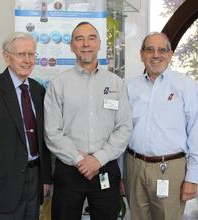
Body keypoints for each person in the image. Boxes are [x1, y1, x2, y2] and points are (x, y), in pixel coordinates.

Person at [44, 21, 133, 220]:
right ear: (71, 46)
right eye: (79, 39)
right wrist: (79, 160)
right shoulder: (58, 84)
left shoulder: (115, 83)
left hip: (105, 168)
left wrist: (98, 159)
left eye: (91, 38)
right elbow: (52, 131)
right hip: (69, 169)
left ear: (99, 44)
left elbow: (124, 127)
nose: (86, 43)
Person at [124, 32, 198, 220]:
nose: (155, 55)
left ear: (170, 54)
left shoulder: (186, 86)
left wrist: (193, 178)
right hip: (134, 166)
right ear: (141, 55)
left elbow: (196, 131)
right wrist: (121, 173)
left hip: (171, 169)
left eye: (161, 50)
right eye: (149, 50)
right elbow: (122, 131)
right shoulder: (130, 87)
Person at [0, 32, 52, 220]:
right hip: (1, 188)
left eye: (31, 54)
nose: (27, 60)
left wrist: (44, 179)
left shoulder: (38, 90)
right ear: (6, 56)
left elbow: (42, 140)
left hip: (33, 183)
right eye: (21, 54)